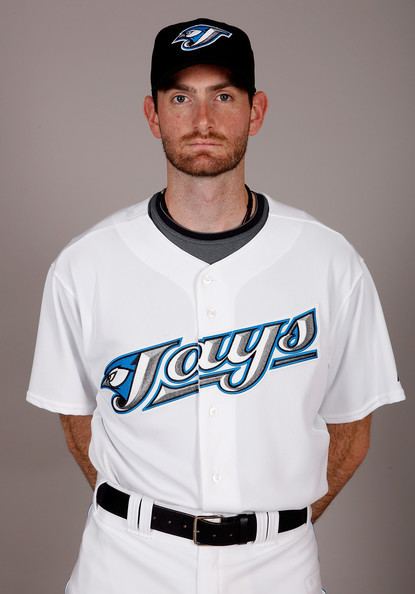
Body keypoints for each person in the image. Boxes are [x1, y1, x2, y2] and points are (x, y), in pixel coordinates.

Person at [26, 17, 405, 594]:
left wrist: (269, 527)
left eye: (223, 96)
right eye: (181, 97)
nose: (202, 120)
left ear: (256, 111)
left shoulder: (330, 260)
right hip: (126, 567)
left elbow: (353, 429)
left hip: (279, 571)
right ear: (153, 114)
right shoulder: (85, 264)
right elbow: (79, 422)